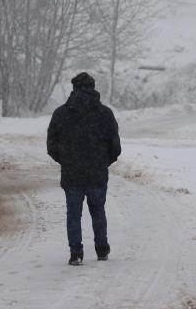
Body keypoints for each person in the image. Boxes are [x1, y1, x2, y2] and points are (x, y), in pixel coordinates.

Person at [47, 72, 121, 266]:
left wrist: (66, 160)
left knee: (73, 214)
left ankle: (76, 252)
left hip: (72, 173)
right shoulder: (105, 114)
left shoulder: (61, 114)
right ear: (93, 88)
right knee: (98, 211)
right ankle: (102, 249)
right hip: (97, 173)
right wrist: (103, 161)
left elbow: (51, 145)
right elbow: (115, 146)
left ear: (74, 89)